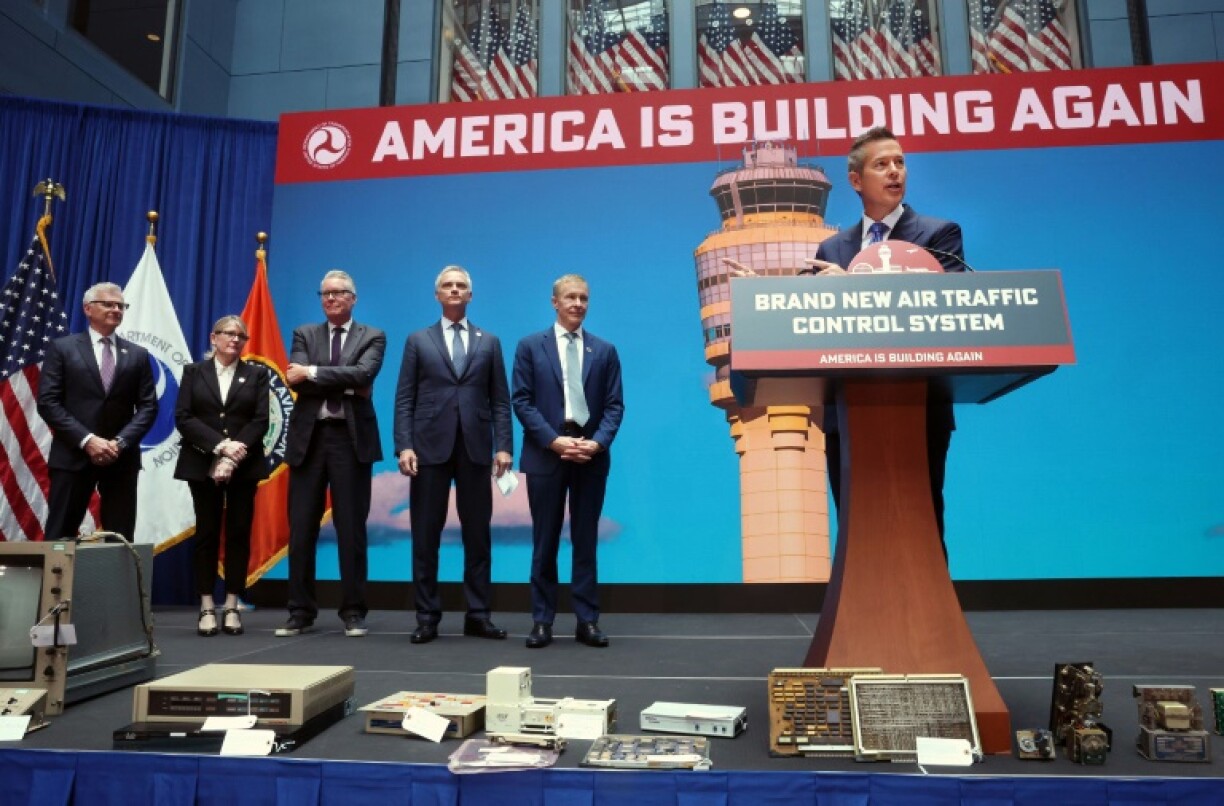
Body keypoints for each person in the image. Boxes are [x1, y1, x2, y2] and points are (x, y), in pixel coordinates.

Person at [808, 126, 965, 550]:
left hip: (919, 402)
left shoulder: (939, 236)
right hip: (847, 409)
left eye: (900, 162)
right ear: (856, 180)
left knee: (920, 527)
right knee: (857, 531)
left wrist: (855, 285)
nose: (895, 171)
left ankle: (927, 598)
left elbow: (948, 306)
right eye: (881, 164)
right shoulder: (830, 250)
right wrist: (759, 294)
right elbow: (807, 318)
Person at [393, 266, 513, 644]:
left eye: (461, 286)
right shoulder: (418, 340)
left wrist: (504, 446)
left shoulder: (489, 341)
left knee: (478, 536)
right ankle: (427, 617)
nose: (455, 290)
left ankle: (478, 615)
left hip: (475, 448)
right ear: (438, 295)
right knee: (425, 535)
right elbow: (404, 398)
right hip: (428, 448)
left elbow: (500, 400)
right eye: (448, 285)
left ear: (470, 295)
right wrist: (404, 445)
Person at [512, 274, 623, 648]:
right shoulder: (530, 346)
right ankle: (542, 621)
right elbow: (522, 401)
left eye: (584, 298)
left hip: (591, 458)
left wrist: (597, 444)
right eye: (571, 297)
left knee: (585, 541)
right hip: (546, 455)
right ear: (555, 302)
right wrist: (554, 441)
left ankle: (587, 621)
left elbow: (614, 406)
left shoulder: (604, 350)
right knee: (544, 542)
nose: (578, 303)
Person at [277, 270, 385, 638]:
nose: (331, 298)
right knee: (301, 529)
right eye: (325, 293)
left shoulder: (372, 336)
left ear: (353, 298)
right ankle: (300, 611)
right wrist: (344, 380)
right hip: (309, 440)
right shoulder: (304, 334)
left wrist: (312, 372)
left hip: (350, 441)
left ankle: (353, 611)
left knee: (351, 529)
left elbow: (364, 374)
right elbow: (294, 379)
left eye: (338, 293)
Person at [37, 282, 158, 541]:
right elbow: (48, 402)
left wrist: (120, 442)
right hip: (73, 456)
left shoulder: (138, 354)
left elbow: (148, 406)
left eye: (121, 306)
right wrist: (88, 440)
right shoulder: (63, 348)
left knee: (120, 539)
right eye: (108, 304)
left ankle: (117, 573)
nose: (116, 310)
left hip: (120, 459)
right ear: (88, 308)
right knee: (60, 536)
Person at [173, 315, 270, 637]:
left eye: (241, 336)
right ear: (213, 338)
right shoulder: (193, 372)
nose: (235, 339)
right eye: (228, 334)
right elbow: (184, 417)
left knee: (239, 532)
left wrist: (233, 453)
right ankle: (206, 606)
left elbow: (260, 419)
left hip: (244, 464)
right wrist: (220, 446)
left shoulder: (256, 374)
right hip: (201, 462)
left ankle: (231, 604)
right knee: (207, 532)